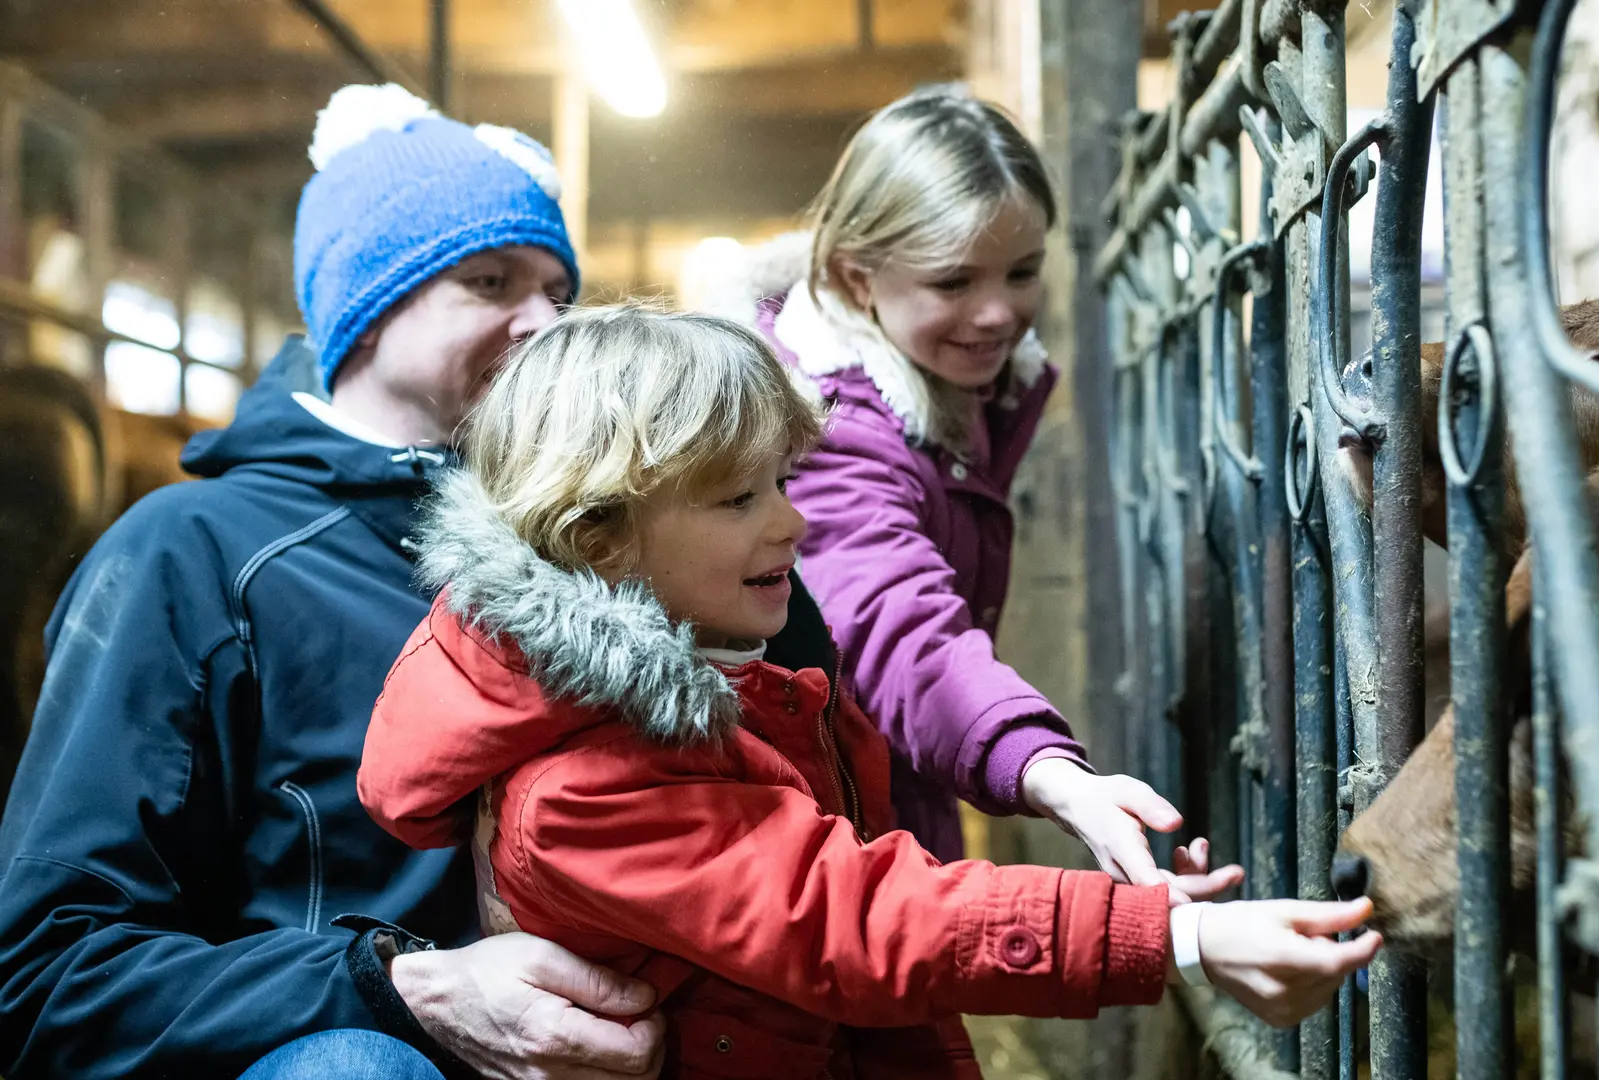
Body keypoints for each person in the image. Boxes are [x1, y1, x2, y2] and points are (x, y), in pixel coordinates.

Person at [356, 302, 1385, 1078]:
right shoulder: (589, 785)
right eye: (739, 496)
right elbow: (855, 915)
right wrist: (1167, 939)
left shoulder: (730, 677)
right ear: (602, 541)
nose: (792, 525)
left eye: (786, 481)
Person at [0, 84, 763, 1079]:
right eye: (491, 285)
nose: (548, 328)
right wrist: (395, 987)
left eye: (558, 294)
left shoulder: (594, 542)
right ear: (364, 315)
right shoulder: (193, 554)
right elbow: (45, 972)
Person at [705, 86, 1209, 887]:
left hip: (880, 790)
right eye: (952, 282)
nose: (999, 312)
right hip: (821, 827)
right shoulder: (826, 427)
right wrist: (1048, 771)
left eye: (1023, 271)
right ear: (855, 276)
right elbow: (896, 629)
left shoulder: (941, 385)